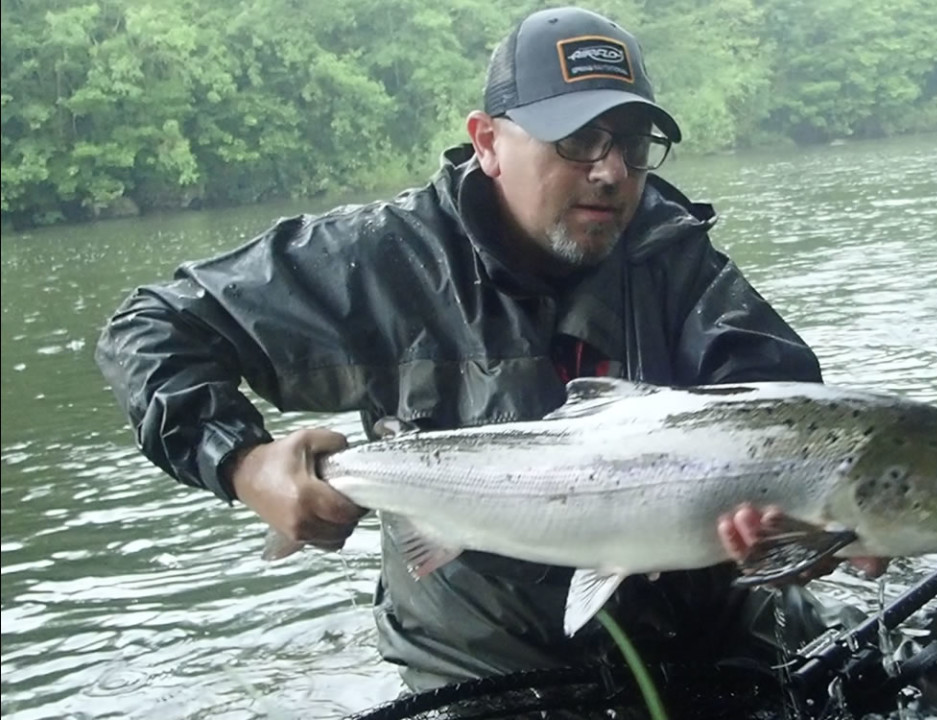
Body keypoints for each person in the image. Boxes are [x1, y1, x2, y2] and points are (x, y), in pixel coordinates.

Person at [95, 6, 885, 693]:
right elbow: (153, 328)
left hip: (704, 637)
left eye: (634, 144)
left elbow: (778, 402)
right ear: (488, 142)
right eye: (578, 140)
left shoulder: (673, 257)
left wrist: (817, 530)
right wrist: (242, 463)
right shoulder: (380, 261)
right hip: (483, 663)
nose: (611, 172)